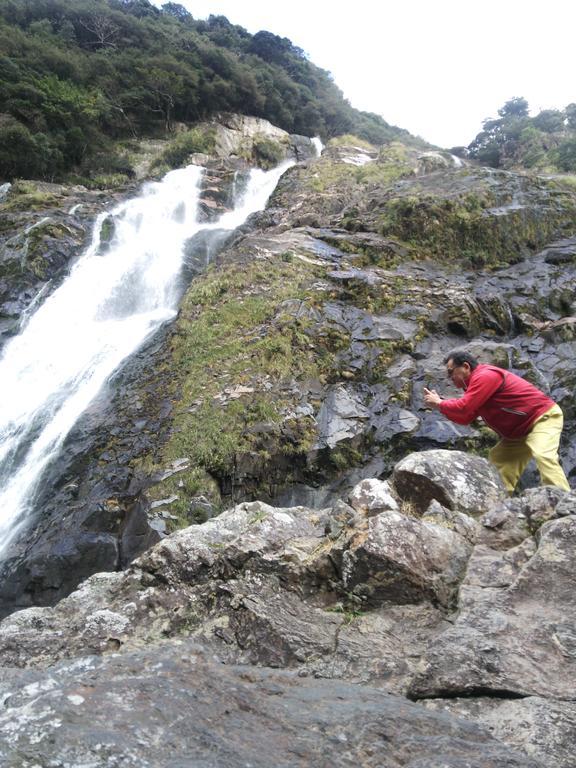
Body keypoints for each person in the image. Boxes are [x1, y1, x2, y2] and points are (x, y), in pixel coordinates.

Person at [423, 350, 570, 493]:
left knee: (543, 453)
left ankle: (563, 502)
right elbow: (465, 417)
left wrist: (440, 403)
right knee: (499, 460)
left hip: (542, 417)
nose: (450, 377)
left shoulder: (485, 376)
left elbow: (464, 407)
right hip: (519, 432)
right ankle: (500, 507)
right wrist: (440, 406)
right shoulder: (474, 387)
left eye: (451, 372)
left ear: (466, 366)